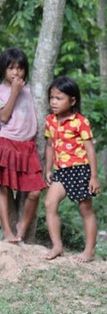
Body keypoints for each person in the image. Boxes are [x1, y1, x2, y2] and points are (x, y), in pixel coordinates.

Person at [43, 76, 101, 262]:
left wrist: (94, 177)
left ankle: (89, 251)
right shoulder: (50, 121)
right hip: (61, 172)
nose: (53, 102)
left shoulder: (80, 122)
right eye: (51, 98)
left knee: (85, 209)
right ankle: (57, 245)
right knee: (49, 204)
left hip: (80, 169)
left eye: (59, 98)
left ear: (72, 100)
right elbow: (50, 146)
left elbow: (90, 149)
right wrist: (48, 169)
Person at [0, 48, 47, 243]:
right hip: (6, 144)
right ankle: (8, 231)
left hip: (28, 147)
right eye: (11, 68)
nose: (16, 73)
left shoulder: (31, 90)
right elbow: (3, 116)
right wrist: (14, 92)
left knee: (35, 192)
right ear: (3, 69)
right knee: (2, 188)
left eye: (20, 68)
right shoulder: (2, 90)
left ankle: (22, 227)